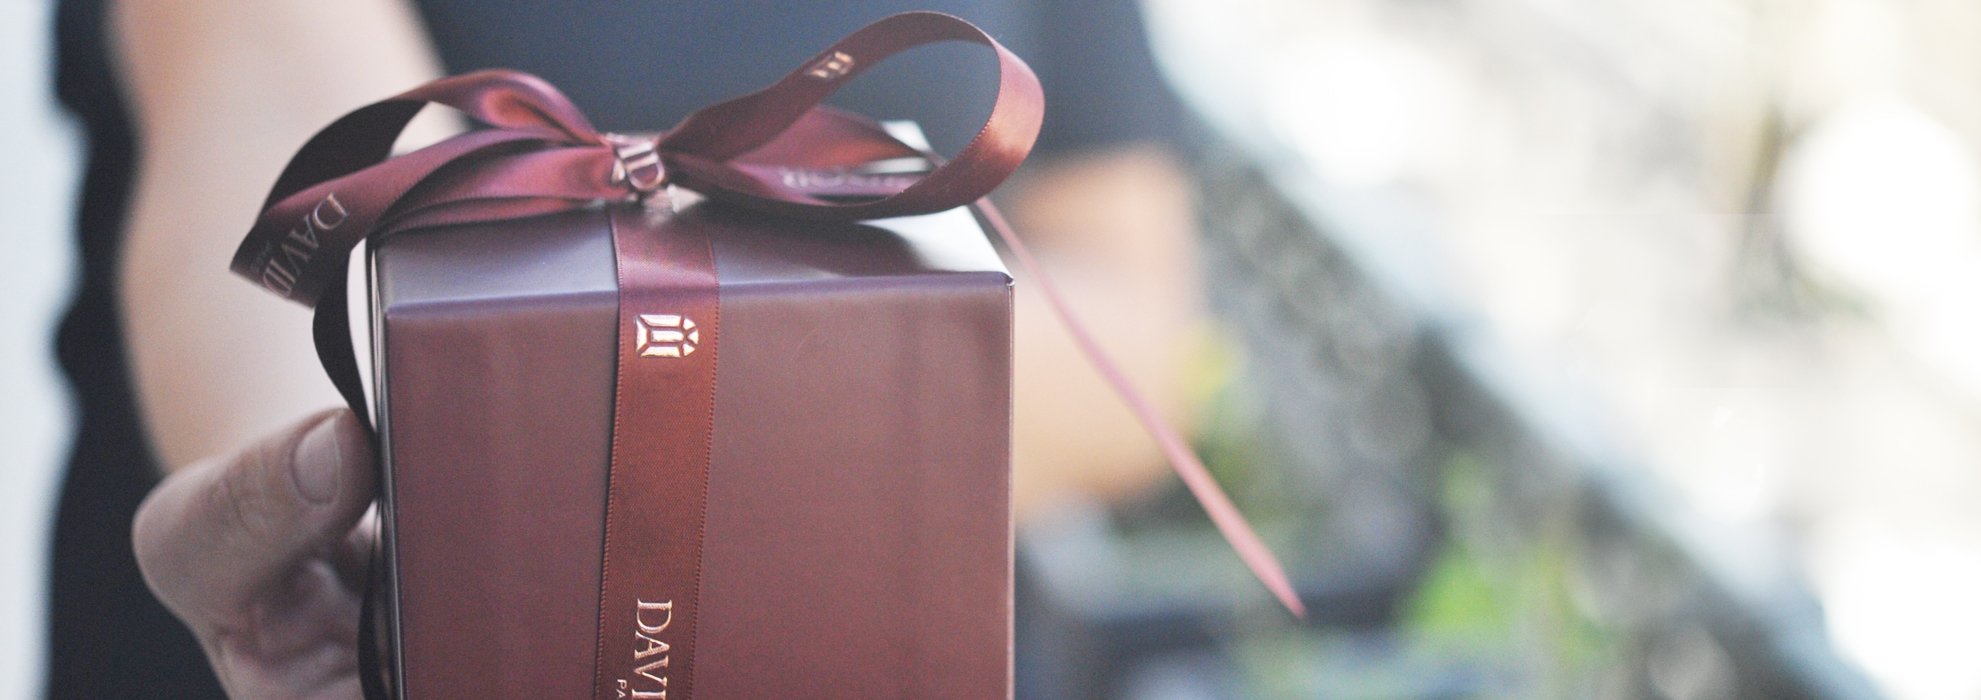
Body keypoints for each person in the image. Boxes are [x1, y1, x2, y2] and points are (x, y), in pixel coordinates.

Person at [51, 1, 1204, 696]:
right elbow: (283, 146)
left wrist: (609, 399)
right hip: (358, 661)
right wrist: (405, 536)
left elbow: (1127, 325)